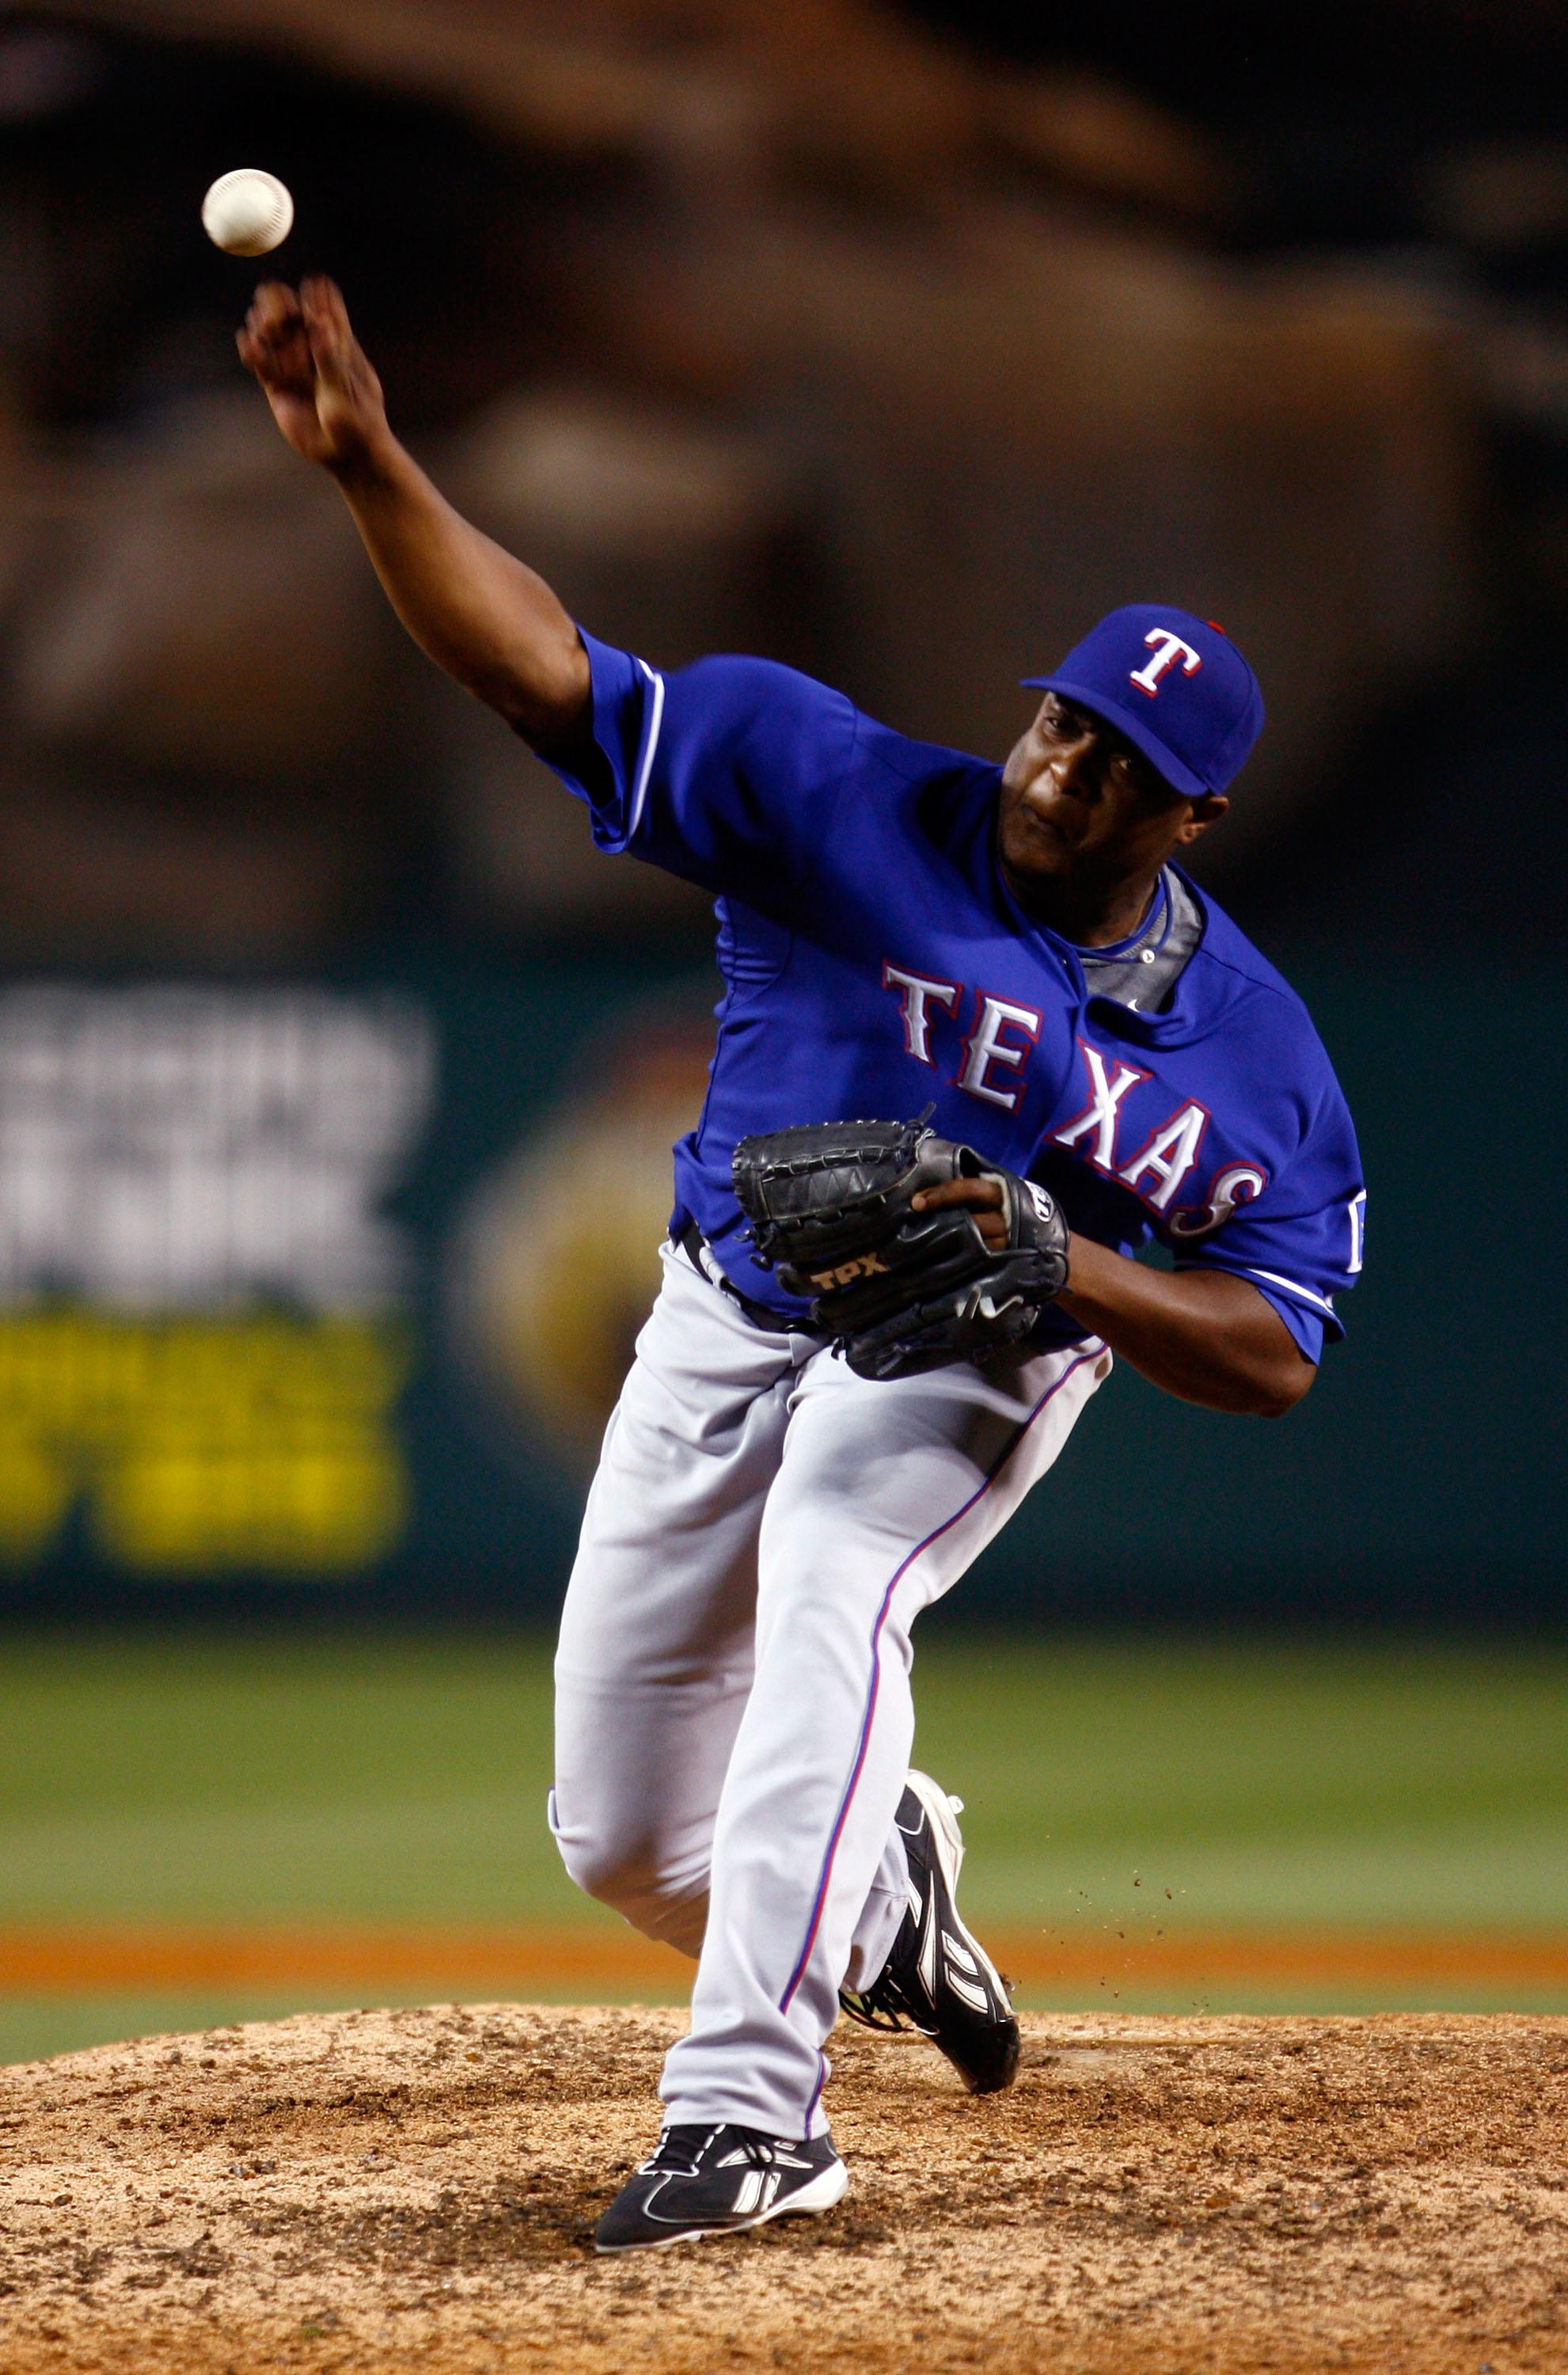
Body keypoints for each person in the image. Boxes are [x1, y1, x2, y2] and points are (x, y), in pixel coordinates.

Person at [240, 279, 1365, 2253]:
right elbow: (547, 678)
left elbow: (1274, 1346)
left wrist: (1065, 1266)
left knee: (836, 1592)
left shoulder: (1247, 1055)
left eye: (1115, 766)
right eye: (1058, 722)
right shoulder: (824, 781)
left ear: (1189, 814)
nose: (1059, 771)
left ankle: (753, 2117)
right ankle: (887, 1894)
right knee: (616, 1831)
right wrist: (372, 469)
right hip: (719, 1300)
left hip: (977, 1339)